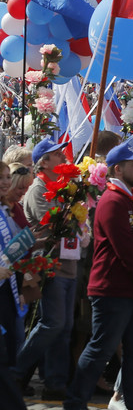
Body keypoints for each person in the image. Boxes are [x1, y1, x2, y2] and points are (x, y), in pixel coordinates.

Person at [64, 143, 133, 410]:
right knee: (100, 349)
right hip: (113, 289)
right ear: (118, 168)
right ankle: (75, 401)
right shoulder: (113, 200)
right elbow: (124, 246)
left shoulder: (129, 198)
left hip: (130, 288)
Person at [15, 138, 78, 400]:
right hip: (49, 263)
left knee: (63, 329)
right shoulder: (39, 190)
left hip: (69, 262)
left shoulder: (65, 187)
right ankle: (14, 371)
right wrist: (73, 208)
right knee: (52, 323)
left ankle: (55, 383)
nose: (62, 156)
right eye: (56, 154)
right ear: (43, 162)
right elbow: (50, 226)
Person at [0, 160, 27, 410]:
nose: (6, 182)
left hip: (7, 289)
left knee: (8, 352)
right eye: (2, 178)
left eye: (8, 177)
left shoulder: (4, 211)